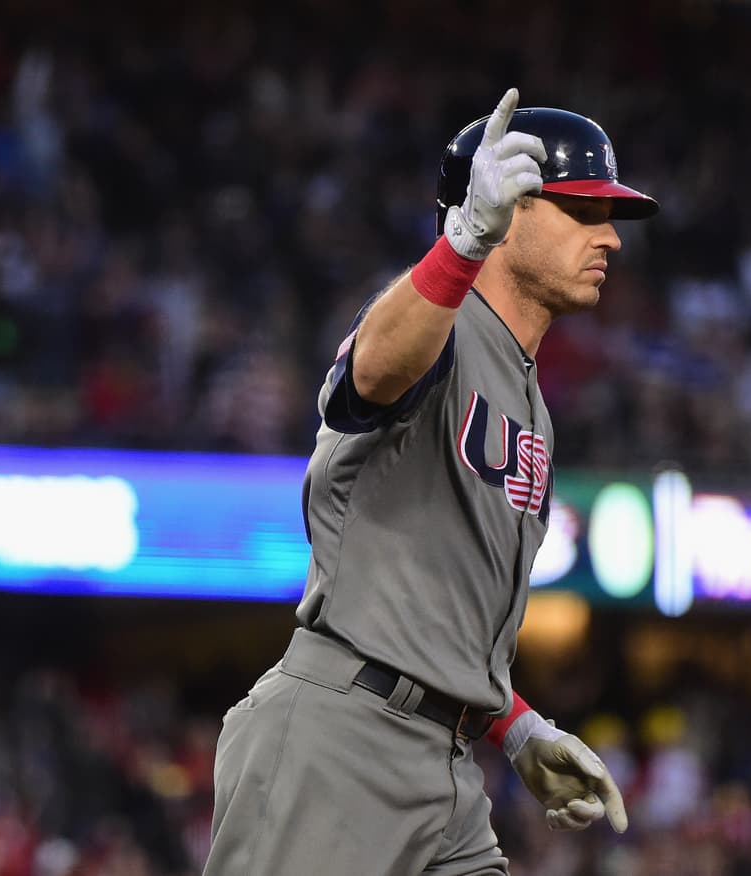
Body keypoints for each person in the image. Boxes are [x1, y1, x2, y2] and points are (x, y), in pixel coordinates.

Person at [203, 87, 659, 875]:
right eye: (584, 211)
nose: (611, 238)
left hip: (446, 771)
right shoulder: (434, 326)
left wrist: (516, 727)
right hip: (338, 739)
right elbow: (370, 374)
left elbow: (436, 614)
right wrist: (462, 242)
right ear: (509, 211)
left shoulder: (533, 408)